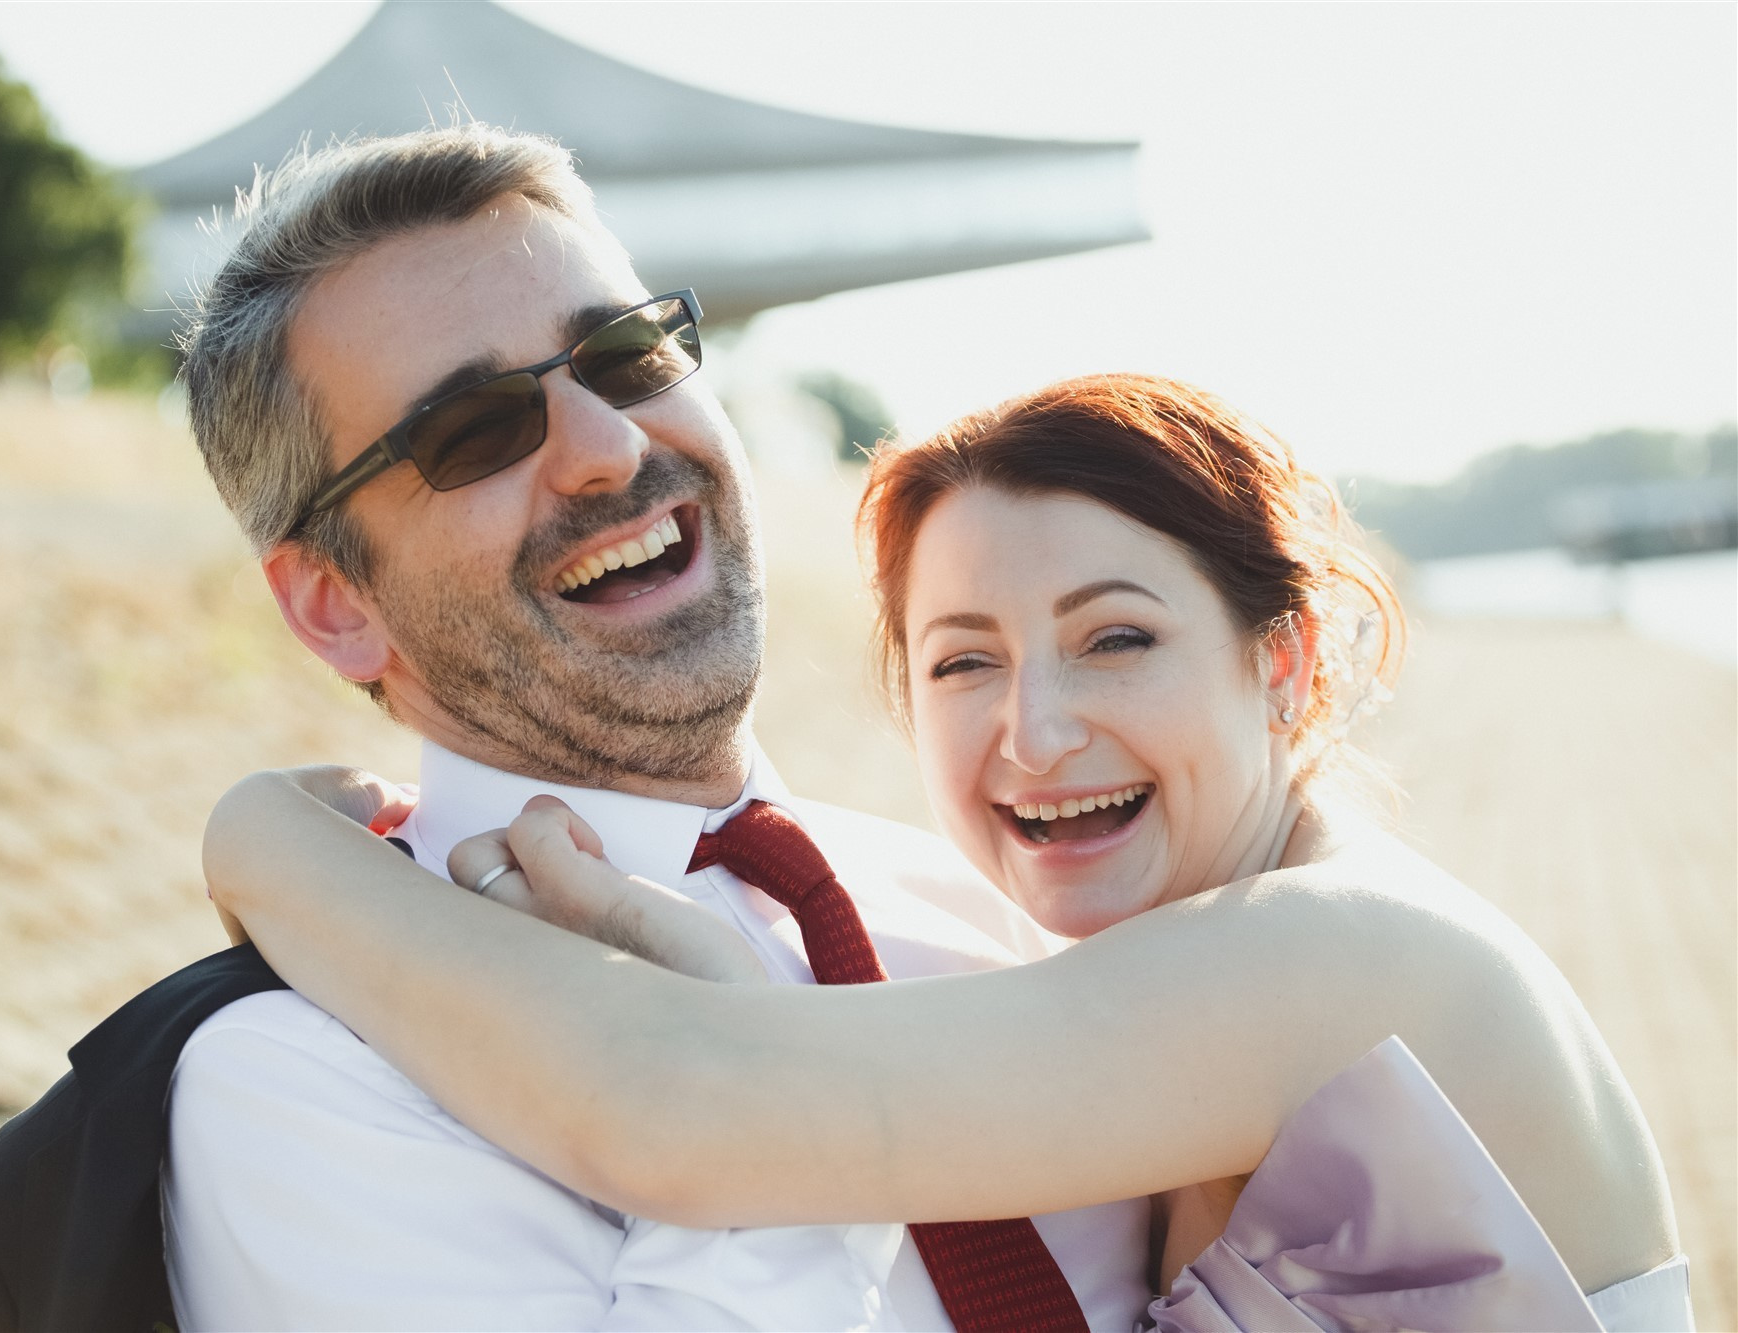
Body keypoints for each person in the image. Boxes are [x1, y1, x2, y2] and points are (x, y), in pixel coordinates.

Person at [205, 376, 1695, 1330]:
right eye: (964, 662)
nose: (1035, 735)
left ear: (1287, 661)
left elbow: (669, 1109)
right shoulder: (1100, 998)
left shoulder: (1342, 958)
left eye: (1117, 638)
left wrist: (266, 839)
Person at [140, 125, 1159, 1331]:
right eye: (472, 430)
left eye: (624, 356)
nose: (609, 447)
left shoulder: (983, 904)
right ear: (335, 604)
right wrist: (746, 1091)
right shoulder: (298, 1086)